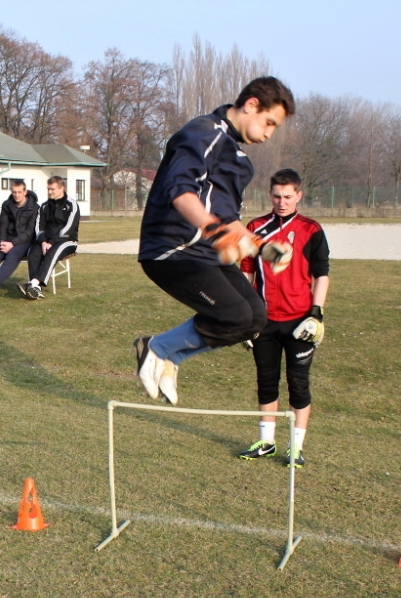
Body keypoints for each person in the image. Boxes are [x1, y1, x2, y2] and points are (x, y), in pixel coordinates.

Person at [133, 76, 296, 406]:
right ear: (251, 105)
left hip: (205, 254)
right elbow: (180, 191)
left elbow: (228, 218)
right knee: (234, 315)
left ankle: (170, 360)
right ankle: (156, 348)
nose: (268, 134)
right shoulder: (202, 133)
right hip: (172, 250)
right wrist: (211, 228)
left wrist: (263, 248)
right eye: (268, 123)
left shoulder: (239, 160)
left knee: (254, 318)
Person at [238, 168, 329, 468]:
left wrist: (316, 314)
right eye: (276, 196)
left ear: (298, 195)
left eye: (288, 196)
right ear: (270, 195)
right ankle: (266, 442)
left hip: (299, 321)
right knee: (266, 381)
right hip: (264, 321)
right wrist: (245, 315)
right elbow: (246, 271)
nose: (282, 201)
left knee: (298, 383)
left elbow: (321, 274)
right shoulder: (256, 227)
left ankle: (296, 447)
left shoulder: (311, 230)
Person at [19, 175, 79, 300]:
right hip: (46, 241)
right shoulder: (44, 206)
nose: (50, 192)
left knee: (52, 252)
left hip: (67, 241)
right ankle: (36, 289)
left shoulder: (72, 205)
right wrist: (43, 241)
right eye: (48, 189)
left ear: (62, 188)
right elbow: (39, 227)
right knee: (33, 252)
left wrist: (51, 242)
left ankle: (33, 283)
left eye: (53, 189)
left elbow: (68, 229)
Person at [0, 180, 39, 298]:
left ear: (25, 192)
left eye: (19, 192)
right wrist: (2, 240)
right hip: (7, 239)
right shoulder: (7, 205)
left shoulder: (34, 207)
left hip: (25, 241)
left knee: (12, 255)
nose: (16, 195)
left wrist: (13, 243)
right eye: (14, 192)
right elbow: (3, 225)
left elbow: (30, 231)